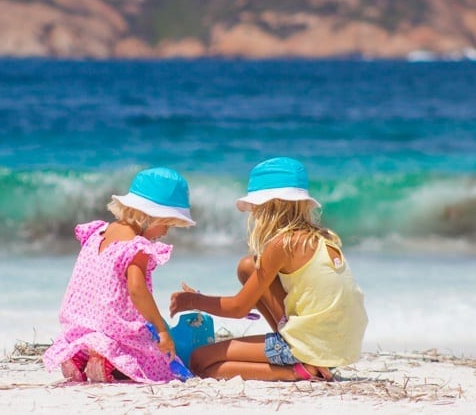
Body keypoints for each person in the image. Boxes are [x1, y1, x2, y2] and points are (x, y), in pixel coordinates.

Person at [169, 157, 367, 381]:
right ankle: (295, 353)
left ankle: (297, 370)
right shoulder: (324, 237)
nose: (253, 214)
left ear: (268, 207)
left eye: (256, 208)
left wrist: (192, 301)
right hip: (341, 343)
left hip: (312, 345)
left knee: (199, 361)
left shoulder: (282, 245)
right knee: (248, 267)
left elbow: (238, 308)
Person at [43, 167, 196, 383]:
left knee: (92, 343)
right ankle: (108, 364)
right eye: (167, 223)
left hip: (80, 326)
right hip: (113, 332)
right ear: (151, 216)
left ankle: (81, 358)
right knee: (158, 365)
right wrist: (162, 329)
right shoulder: (136, 247)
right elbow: (137, 289)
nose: (166, 232)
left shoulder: (97, 233)